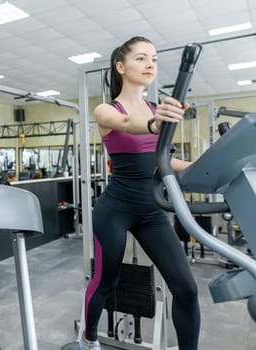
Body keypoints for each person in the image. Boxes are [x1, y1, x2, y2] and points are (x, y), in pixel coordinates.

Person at [81, 36, 200, 350]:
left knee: (186, 288)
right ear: (121, 66)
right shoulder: (107, 109)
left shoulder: (154, 107)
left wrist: (207, 167)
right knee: (107, 281)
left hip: (151, 211)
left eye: (154, 59)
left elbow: (165, 160)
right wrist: (153, 123)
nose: (150, 64)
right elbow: (125, 123)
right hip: (115, 210)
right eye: (141, 58)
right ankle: (89, 338)